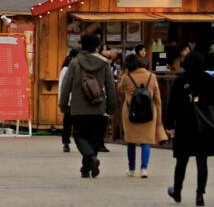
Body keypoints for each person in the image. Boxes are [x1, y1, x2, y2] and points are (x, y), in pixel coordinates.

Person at [164, 48, 214, 205]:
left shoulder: (180, 81)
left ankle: (177, 191)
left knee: (181, 162)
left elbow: (172, 105)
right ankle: (200, 194)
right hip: (203, 126)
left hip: (184, 125)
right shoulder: (209, 81)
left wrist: (169, 123)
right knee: (202, 162)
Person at [59, 32, 117, 178]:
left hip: (78, 108)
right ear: (97, 46)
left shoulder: (75, 63)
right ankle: (87, 166)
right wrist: (111, 106)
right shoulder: (104, 63)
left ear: (82, 46)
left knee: (79, 135)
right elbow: (110, 87)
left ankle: (90, 160)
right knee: (94, 138)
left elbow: (66, 86)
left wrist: (63, 104)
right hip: (98, 107)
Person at [118, 51, 166, 178]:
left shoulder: (127, 77)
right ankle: (144, 169)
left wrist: (123, 75)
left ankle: (131, 169)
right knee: (146, 141)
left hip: (131, 112)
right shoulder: (152, 76)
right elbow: (157, 98)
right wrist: (159, 117)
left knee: (131, 141)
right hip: (149, 112)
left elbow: (120, 89)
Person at [57, 49, 78, 153]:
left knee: (78, 123)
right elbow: (62, 86)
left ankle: (80, 143)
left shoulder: (80, 68)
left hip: (79, 100)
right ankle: (66, 142)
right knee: (68, 123)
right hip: (69, 100)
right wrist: (62, 100)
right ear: (70, 57)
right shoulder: (65, 70)